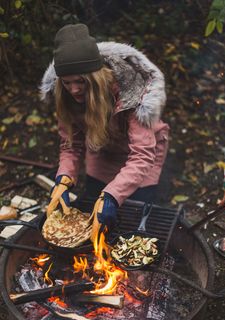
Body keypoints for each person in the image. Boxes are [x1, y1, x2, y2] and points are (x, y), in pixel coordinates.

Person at [40, 23, 169, 233]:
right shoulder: (65, 97)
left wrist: (111, 195)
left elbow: (142, 155)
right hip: (103, 152)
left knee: (135, 215)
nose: (73, 89)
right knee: (94, 205)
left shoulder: (131, 92)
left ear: (94, 77)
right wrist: (64, 178)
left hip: (143, 154)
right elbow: (70, 145)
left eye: (80, 81)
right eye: (66, 82)